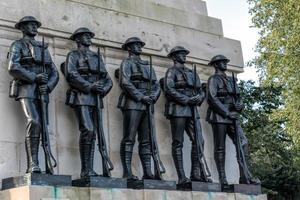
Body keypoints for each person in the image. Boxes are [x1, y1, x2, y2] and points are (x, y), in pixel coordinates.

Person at [8, 16, 59, 173]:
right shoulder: (18, 45)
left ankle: (44, 165)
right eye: (30, 25)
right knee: (34, 121)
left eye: (35, 25)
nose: (34, 27)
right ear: (22, 28)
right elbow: (13, 67)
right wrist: (33, 77)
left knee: (43, 126)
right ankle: (32, 164)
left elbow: (54, 71)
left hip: (42, 91)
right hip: (26, 88)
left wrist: (49, 85)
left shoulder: (43, 48)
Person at [62, 27, 113, 178]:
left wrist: (103, 89)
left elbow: (107, 79)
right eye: (85, 36)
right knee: (88, 130)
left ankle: (90, 169)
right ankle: (85, 170)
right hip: (81, 97)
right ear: (77, 39)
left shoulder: (97, 57)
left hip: (96, 98)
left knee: (95, 134)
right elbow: (71, 74)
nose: (89, 38)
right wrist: (89, 86)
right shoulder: (73, 55)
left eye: (89, 36)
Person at [206, 55, 260, 186]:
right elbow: (212, 98)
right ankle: (222, 178)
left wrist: (240, 106)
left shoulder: (231, 80)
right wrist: (227, 112)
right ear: (216, 65)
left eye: (225, 62)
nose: (225, 64)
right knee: (220, 148)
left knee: (243, 142)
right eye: (222, 62)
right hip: (220, 117)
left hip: (233, 117)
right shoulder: (213, 79)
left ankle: (245, 175)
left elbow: (239, 97)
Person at [162, 46, 211, 184]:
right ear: (174, 57)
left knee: (199, 140)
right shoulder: (171, 71)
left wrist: (200, 98)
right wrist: (186, 99)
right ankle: (181, 176)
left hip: (192, 110)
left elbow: (201, 91)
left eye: (185, 53)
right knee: (178, 142)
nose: (184, 56)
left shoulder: (191, 72)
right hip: (178, 109)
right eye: (180, 54)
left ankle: (195, 173)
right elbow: (169, 89)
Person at [117, 37, 161, 180]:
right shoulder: (127, 63)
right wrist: (141, 97)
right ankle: (127, 172)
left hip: (148, 103)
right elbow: (125, 82)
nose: (139, 47)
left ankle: (147, 172)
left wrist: (153, 96)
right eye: (136, 45)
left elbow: (156, 85)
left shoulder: (148, 65)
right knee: (129, 138)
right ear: (129, 48)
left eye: (140, 45)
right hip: (133, 102)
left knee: (146, 140)